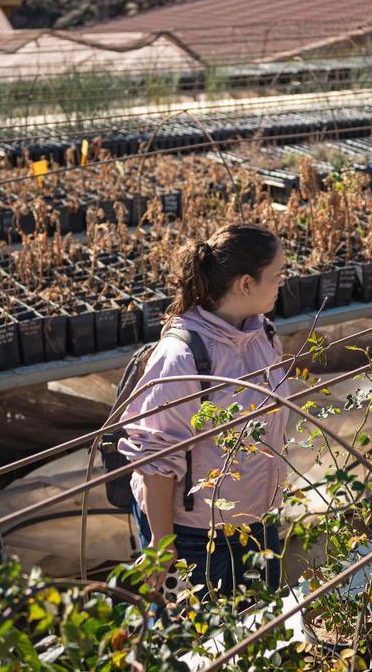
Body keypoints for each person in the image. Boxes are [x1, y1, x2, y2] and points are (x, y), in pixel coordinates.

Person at [119, 223, 289, 599]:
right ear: (246, 283)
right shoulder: (184, 357)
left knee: (260, 634)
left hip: (257, 522)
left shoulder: (263, 334)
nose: (282, 283)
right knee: (194, 646)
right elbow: (155, 460)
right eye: (277, 275)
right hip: (197, 534)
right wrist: (163, 550)